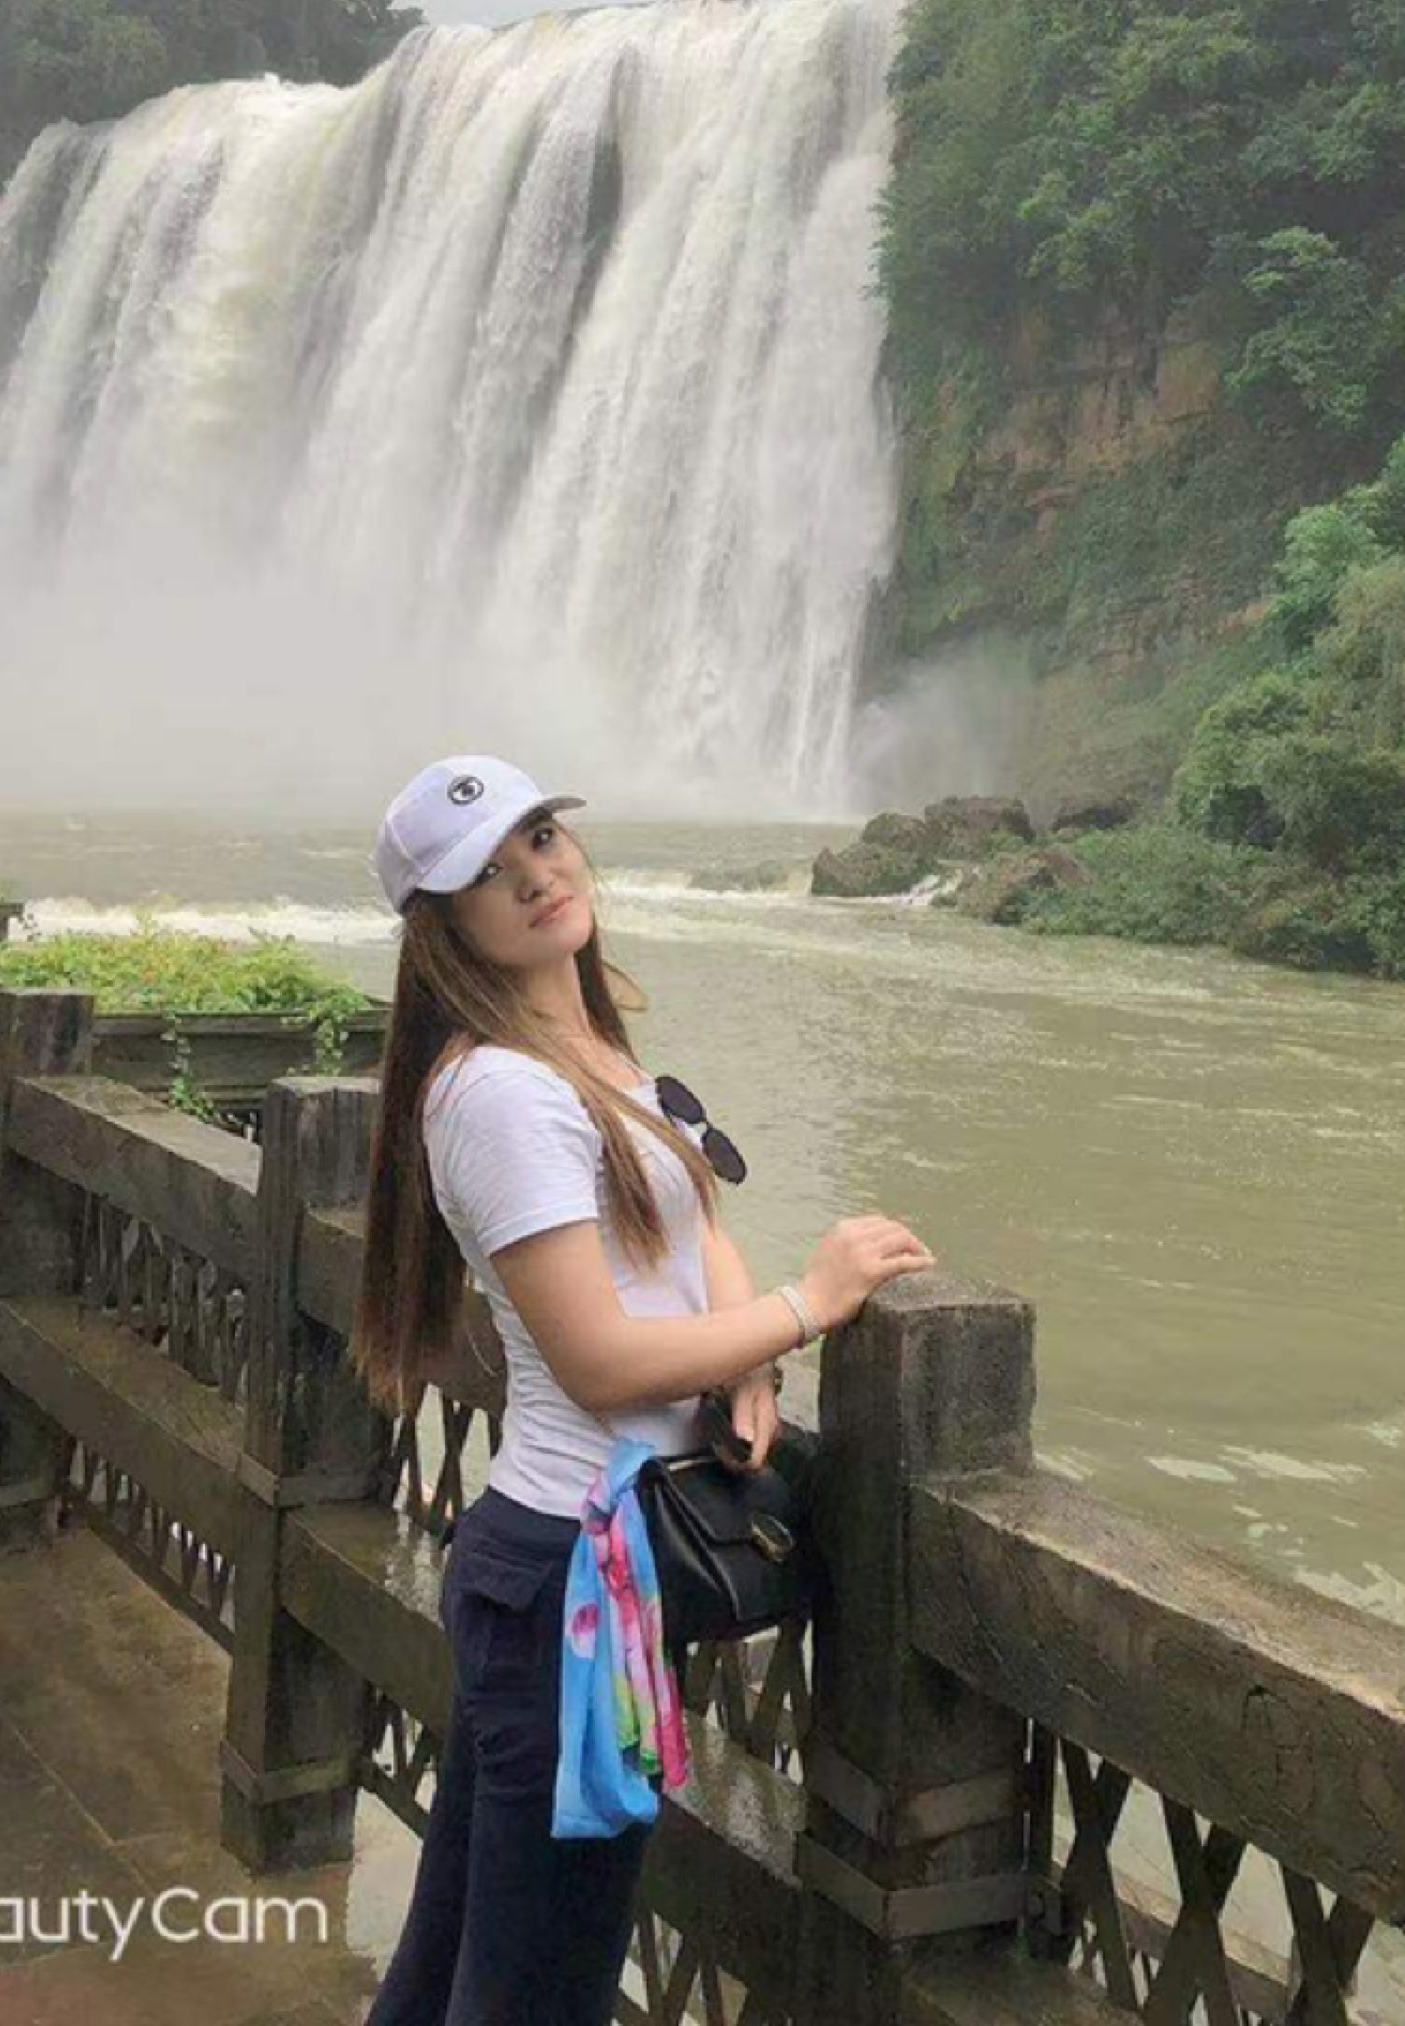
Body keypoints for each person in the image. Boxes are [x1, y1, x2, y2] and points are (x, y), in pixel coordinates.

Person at [355, 754, 935, 2025]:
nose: (536, 878)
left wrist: (747, 1356)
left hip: (573, 1579)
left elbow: (694, 1218)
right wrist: (811, 1298)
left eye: (543, 840)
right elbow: (601, 1362)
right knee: (537, 1990)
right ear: (442, 926)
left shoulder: (591, 1050)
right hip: (570, 1579)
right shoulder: (500, 1091)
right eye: (489, 876)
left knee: (459, 1952)